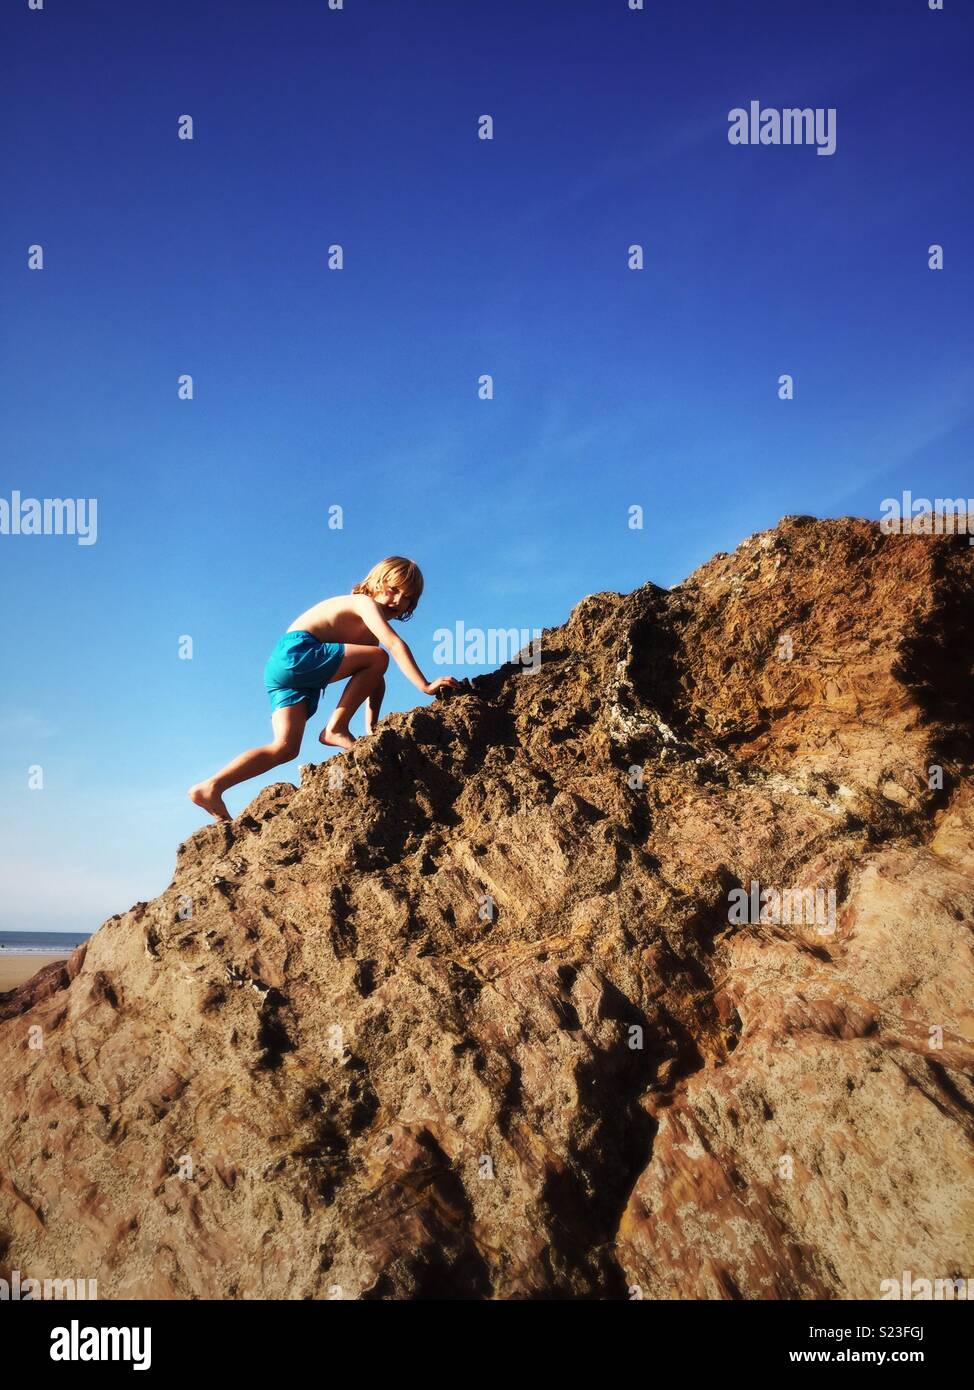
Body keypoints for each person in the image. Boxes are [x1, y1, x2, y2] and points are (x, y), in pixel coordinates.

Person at [188, 556, 459, 821]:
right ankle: (335, 729)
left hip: (286, 674)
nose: (399, 601)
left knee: (284, 748)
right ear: (376, 583)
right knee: (379, 658)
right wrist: (425, 686)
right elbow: (394, 646)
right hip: (298, 652)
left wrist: (372, 729)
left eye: (408, 597)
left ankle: (212, 787)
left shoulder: (369, 637)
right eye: (393, 590)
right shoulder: (362, 603)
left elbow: (375, 679)